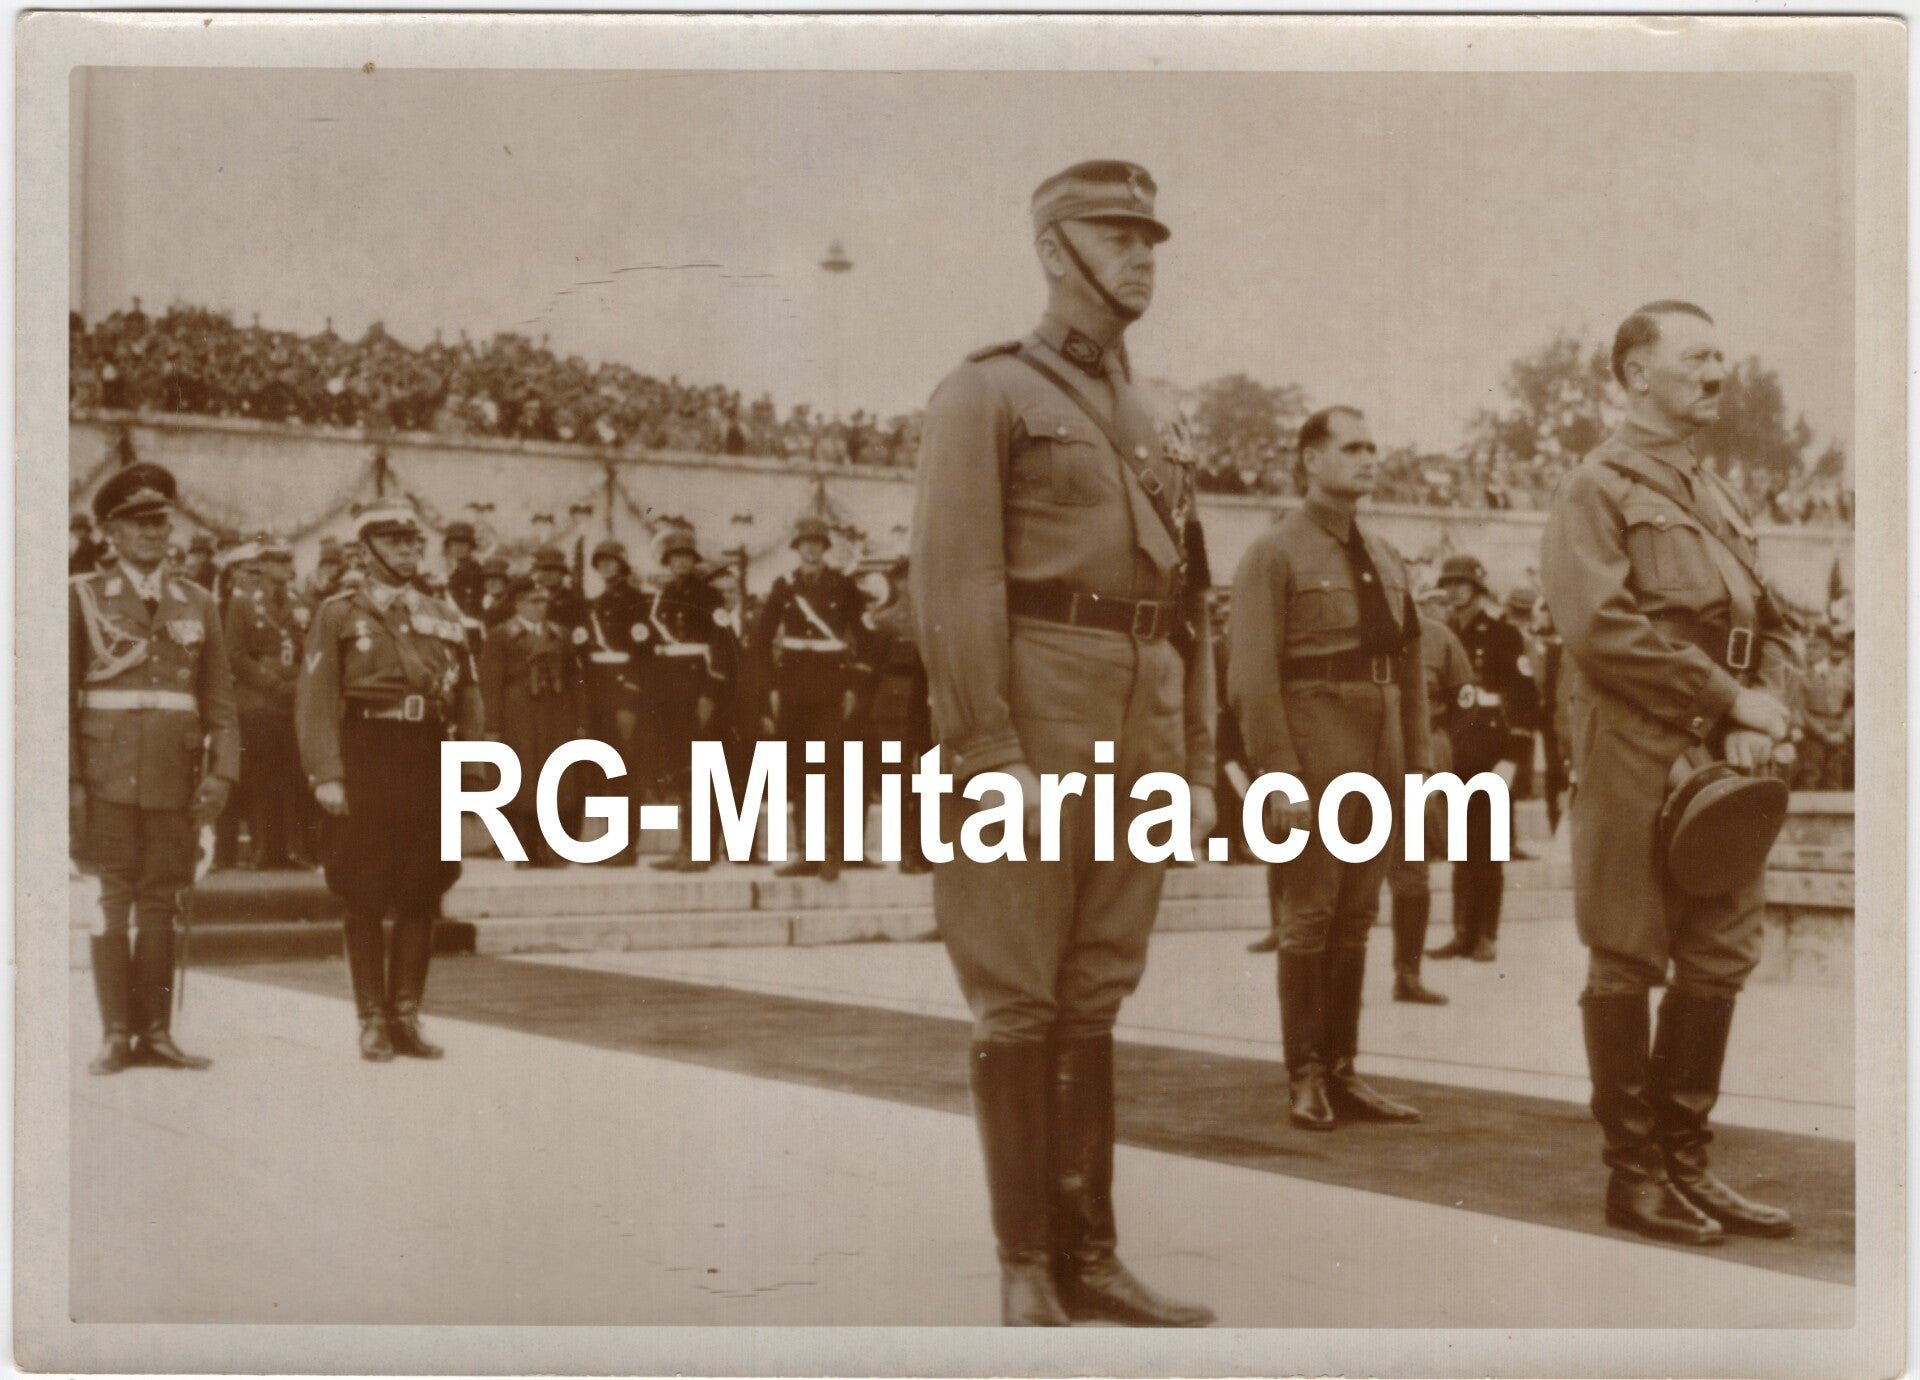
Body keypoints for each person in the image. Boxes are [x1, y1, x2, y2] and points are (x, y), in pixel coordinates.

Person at [912, 160, 1215, 1327]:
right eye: (1117, 234)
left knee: (1096, 993)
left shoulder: (1148, 415)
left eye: (1152, 237)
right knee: (1019, 997)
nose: (1143, 255)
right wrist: (986, 747)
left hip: (1136, 726)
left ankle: (1093, 1253)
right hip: (1033, 719)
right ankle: (1026, 1261)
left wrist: (1191, 762)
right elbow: (955, 579)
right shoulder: (985, 394)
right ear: (1053, 247)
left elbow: (1187, 600)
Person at [1541, 300, 1799, 1245]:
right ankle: (1634, 1175)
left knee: (1721, 952)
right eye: (1698, 356)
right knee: (1627, 949)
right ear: (1636, 372)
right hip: (1636, 744)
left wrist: (1759, 716)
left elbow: (1770, 625)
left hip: (1724, 749)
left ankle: (1689, 1164)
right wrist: (1722, 706)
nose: (1718, 371)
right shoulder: (1594, 489)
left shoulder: (1717, 494)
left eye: (1724, 354)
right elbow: (1602, 631)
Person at [1230, 405, 1429, 1133]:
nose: (1368, 459)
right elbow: (1250, 678)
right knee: (1308, 917)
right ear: (1310, 460)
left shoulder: (1385, 553)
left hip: (1377, 759)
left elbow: (1407, 672)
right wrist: (1278, 778)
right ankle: (1305, 1074)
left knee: (1357, 919)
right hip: (1313, 759)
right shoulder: (1274, 553)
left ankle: (1344, 1071)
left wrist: (1420, 769)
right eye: (1351, 447)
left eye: (1374, 447)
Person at [297, 503, 483, 1062]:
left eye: (412, 541)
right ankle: (372, 1018)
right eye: (394, 540)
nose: (408, 549)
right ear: (367, 548)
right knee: (364, 890)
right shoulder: (337, 614)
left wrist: (471, 768)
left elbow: (469, 695)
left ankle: (406, 1015)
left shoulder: (442, 614)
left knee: (422, 889)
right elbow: (316, 699)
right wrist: (327, 773)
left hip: (425, 754)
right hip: (366, 753)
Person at [70, 462, 238, 1072]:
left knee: (163, 900)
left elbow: (219, 701)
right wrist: (68, 787)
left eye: (160, 522)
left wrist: (221, 774)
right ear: (111, 533)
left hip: (176, 776)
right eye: (138, 524)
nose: (153, 533)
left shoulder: (198, 601)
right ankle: (117, 1033)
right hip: (105, 774)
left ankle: (158, 1033)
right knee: (112, 899)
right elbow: (59, 701)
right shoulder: (83, 597)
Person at [1425, 553, 1526, 963]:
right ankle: (1462, 932)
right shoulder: (1444, 633)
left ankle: (1487, 934)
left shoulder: (1504, 635)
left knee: (1491, 848)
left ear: (1478, 588)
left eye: (1461, 583)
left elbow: (1524, 703)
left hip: (1492, 752)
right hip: (1456, 750)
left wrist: (1514, 760)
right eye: (1448, 583)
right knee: (1462, 850)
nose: (1453, 590)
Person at [757, 516, 865, 883]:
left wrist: (853, 686)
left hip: (831, 686)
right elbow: (761, 639)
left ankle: (831, 852)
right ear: (797, 548)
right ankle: (808, 852)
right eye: (805, 543)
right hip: (792, 687)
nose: (811, 548)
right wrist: (771, 686)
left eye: (817, 542)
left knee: (829, 769)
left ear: (825, 547)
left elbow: (862, 638)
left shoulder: (844, 585)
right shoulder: (784, 586)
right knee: (800, 770)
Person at [1383, 584, 1472, 1004]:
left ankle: (1409, 973)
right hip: (1364, 754)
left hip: (1419, 759)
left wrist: (1436, 746)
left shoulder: (1440, 639)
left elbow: (1465, 702)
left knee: (1412, 869)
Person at [481, 578, 587, 869]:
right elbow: (490, 683)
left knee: (555, 778)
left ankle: (550, 847)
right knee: (522, 780)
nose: (540, 608)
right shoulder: (500, 635)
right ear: (518, 604)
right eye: (533, 602)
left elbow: (575, 680)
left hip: (556, 713)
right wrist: (492, 726)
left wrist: (580, 721)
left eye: (543, 602)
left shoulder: (560, 634)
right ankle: (523, 849)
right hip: (518, 714)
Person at [646, 527, 727, 872]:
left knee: (702, 769)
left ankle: (702, 849)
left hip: (698, 685)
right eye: (674, 556)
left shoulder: (710, 596)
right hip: (669, 689)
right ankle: (686, 846)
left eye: (686, 556)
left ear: (694, 561)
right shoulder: (661, 596)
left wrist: (710, 692)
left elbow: (722, 646)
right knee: (680, 769)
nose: (680, 561)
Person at [224, 535, 305, 869]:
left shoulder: (303, 603)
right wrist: (272, 683)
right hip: (258, 702)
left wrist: (297, 682)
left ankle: (294, 850)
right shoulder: (243, 603)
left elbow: (313, 650)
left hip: (294, 700)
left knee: (293, 777)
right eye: (276, 562)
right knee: (260, 779)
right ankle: (263, 849)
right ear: (263, 565)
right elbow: (236, 654)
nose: (284, 568)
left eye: (287, 561)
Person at [860, 557, 934, 874]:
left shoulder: (933, 621)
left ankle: (924, 849)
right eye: (902, 580)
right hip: (888, 715)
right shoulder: (883, 622)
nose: (907, 586)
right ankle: (905, 850)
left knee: (928, 783)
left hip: (925, 713)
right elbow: (870, 674)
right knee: (898, 783)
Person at [582, 539, 650, 864]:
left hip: (623, 693)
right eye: (601, 562)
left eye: (612, 561)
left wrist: (630, 697)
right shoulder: (594, 604)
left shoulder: (638, 602)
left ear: (623, 564)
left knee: (625, 771)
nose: (607, 567)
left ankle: (626, 846)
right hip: (598, 692)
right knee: (604, 768)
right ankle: (610, 843)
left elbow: (641, 653)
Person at [1503, 584, 1546, 800]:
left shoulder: (1530, 634)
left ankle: (1521, 783)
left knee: (1522, 743)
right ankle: (1518, 784)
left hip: (1523, 699)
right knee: (1517, 744)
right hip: (1515, 698)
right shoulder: (1520, 635)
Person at [442, 520, 486, 619]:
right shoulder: (454, 575)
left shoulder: (479, 573)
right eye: (454, 544)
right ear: (449, 547)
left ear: (471, 547)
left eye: (463, 543)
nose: (458, 547)